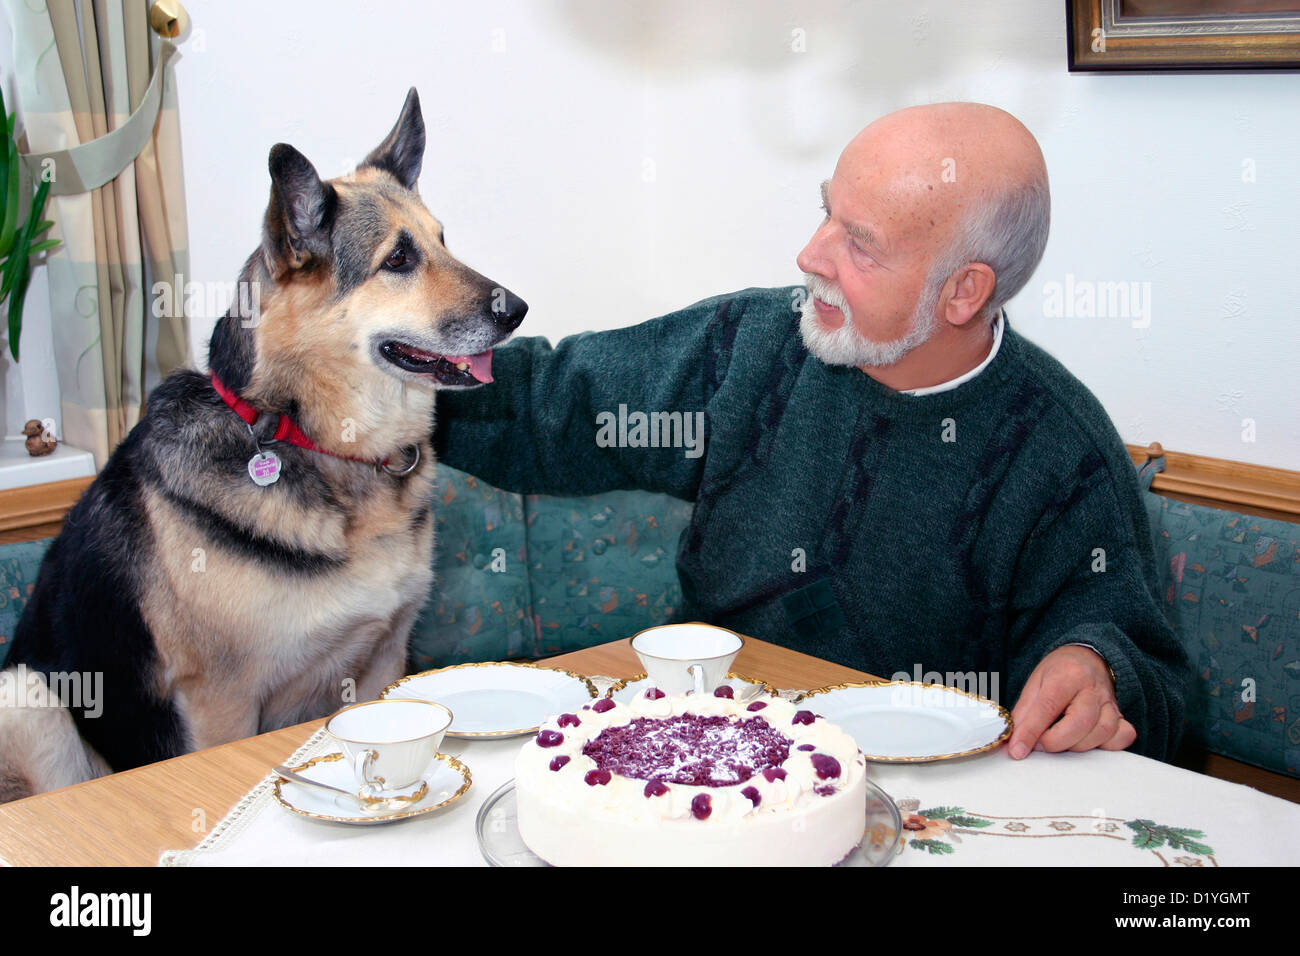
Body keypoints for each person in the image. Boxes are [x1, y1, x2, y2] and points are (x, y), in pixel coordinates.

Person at [433, 102, 1188, 761]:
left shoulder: (1061, 448)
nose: (810, 255)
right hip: (706, 751)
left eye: (860, 244)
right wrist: (366, 383)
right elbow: (550, 404)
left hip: (924, 799)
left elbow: (1142, 670)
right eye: (825, 210)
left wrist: (1099, 671)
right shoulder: (751, 346)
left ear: (964, 291)